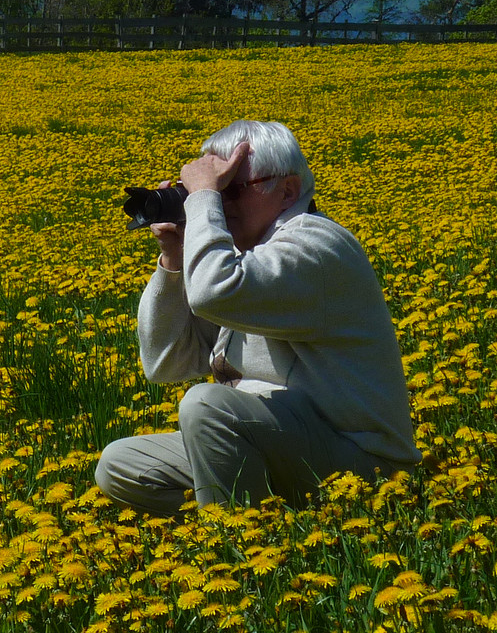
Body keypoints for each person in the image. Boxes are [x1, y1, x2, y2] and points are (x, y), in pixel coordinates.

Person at [94, 120, 420, 515]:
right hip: (280, 444)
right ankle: (266, 512)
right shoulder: (246, 258)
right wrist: (176, 255)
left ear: (288, 191)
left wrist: (202, 203)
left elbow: (214, 291)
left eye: (231, 188)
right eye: (215, 188)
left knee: (208, 406)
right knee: (121, 466)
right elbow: (167, 362)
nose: (218, 203)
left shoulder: (316, 246)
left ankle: (240, 543)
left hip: (360, 462)